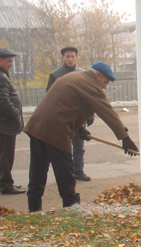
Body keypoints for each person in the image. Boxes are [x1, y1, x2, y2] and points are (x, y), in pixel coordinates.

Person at [24, 61, 139, 213]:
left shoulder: (74, 77)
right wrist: (125, 138)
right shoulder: (89, 84)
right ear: (97, 75)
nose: (105, 87)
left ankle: (33, 209)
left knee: (37, 171)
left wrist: (79, 128)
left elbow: (66, 104)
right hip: (55, 131)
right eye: (105, 82)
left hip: (37, 126)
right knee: (65, 171)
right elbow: (107, 111)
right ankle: (72, 209)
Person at [47, 46, 94, 182]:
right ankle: (65, 173)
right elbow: (49, 98)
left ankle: (78, 170)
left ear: (76, 57)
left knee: (79, 146)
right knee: (63, 146)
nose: (70, 59)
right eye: (67, 56)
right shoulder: (55, 75)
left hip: (79, 117)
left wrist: (89, 115)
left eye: (73, 56)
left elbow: (87, 97)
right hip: (62, 118)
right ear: (62, 58)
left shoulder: (83, 74)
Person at [0, 48, 25, 195]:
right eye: (9, 61)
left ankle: (5, 182)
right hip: (6, 125)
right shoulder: (1, 77)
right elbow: (3, 100)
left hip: (5, 124)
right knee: (6, 156)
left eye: (12, 61)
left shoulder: (3, 75)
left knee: (4, 155)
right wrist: (15, 114)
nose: (11, 64)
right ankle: (6, 185)